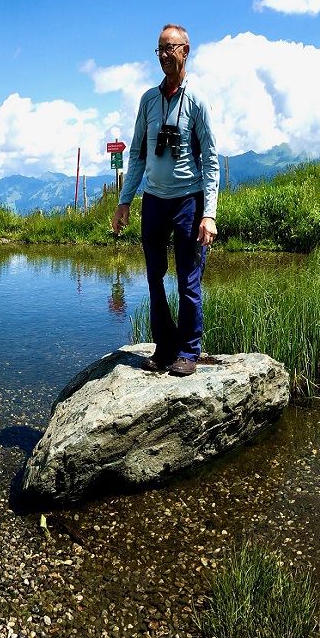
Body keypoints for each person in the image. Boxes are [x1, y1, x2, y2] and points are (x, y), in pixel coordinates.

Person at [110, 23, 219, 377]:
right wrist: (125, 202)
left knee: (188, 280)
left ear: (185, 51)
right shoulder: (148, 101)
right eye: (158, 49)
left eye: (169, 48)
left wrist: (210, 214)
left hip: (189, 201)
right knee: (154, 277)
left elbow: (211, 160)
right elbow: (138, 153)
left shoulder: (197, 102)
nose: (163, 55)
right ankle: (164, 346)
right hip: (154, 201)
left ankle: (189, 351)